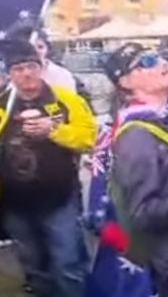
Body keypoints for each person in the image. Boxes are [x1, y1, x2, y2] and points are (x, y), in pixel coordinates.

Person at [103, 42, 168, 297]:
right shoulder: (136, 135)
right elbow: (144, 213)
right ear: (127, 82)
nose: (162, 63)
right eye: (147, 62)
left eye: (158, 57)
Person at [0, 39, 97, 296]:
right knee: (34, 268)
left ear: (41, 67)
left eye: (31, 66)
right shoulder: (2, 104)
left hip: (59, 200)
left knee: (68, 265)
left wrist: (53, 129)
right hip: (14, 205)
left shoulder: (66, 100)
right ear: (9, 73)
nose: (26, 74)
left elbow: (89, 138)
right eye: (18, 69)